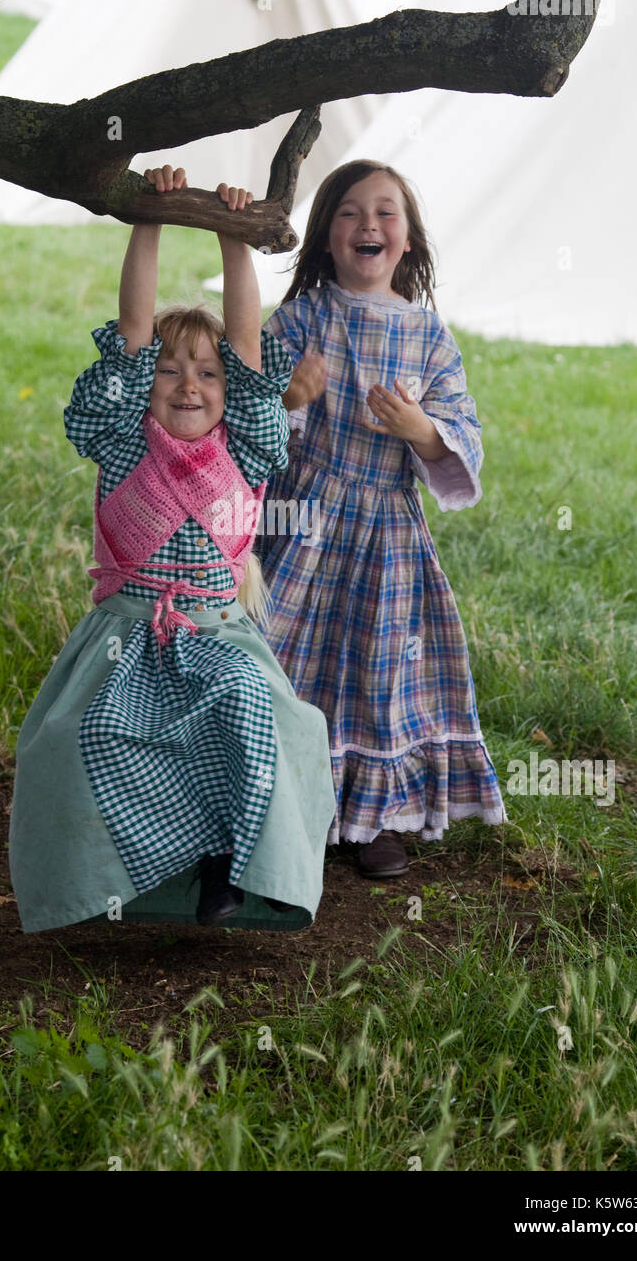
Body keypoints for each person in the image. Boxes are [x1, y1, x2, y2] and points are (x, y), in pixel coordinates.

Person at [9, 165, 336, 932]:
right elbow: (131, 329)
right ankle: (112, 879)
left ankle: (227, 868)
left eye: (208, 373)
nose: (188, 384)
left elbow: (250, 341)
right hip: (124, 637)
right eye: (168, 369)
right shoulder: (124, 442)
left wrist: (233, 236)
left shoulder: (247, 446)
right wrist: (148, 216)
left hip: (217, 632)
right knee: (90, 734)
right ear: (143, 383)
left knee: (250, 710)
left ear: (231, 390)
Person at [257, 159, 506, 878]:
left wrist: (421, 429)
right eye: (349, 213)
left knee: (376, 666)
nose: (368, 223)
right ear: (327, 239)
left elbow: (462, 433)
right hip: (301, 521)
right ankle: (284, 801)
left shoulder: (428, 335)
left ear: (408, 241)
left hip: (385, 533)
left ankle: (371, 819)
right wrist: (291, 400)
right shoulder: (304, 317)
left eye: (386, 213)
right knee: (284, 655)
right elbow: (251, 415)